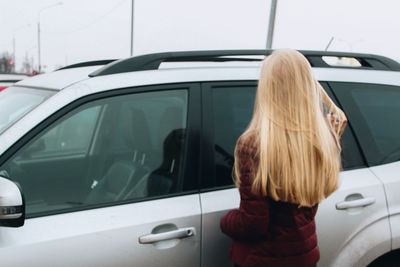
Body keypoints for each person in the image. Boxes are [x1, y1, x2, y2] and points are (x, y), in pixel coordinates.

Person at [220, 49, 347, 267]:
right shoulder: (324, 138)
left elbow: (252, 225)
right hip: (304, 258)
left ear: (268, 88)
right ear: (307, 86)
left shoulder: (252, 144)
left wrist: (225, 221)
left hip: (263, 260)